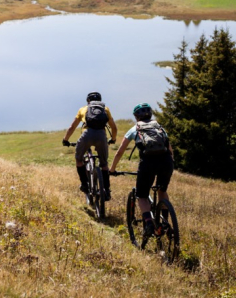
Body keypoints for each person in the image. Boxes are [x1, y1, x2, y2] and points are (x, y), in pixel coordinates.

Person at [111, 102, 174, 236]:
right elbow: (170, 150)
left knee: (142, 196)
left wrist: (112, 169)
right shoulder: (159, 127)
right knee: (162, 190)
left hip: (148, 163)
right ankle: (165, 222)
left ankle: (149, 223)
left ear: (136, 117)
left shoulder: (135, 129)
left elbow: (120, 152)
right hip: (166, 162)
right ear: (150, 114)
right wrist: (170, 164)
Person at [62, 91, 118, 201]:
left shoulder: (83, 109)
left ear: (88, 101)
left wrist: (66, 140)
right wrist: (113, 139)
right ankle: (106, 190)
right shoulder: (105, 109)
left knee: (79, 160)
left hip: (86, 135)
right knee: (104, 164)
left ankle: (84, 184)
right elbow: (114, 128)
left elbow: (72, 127)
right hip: (101, 136)